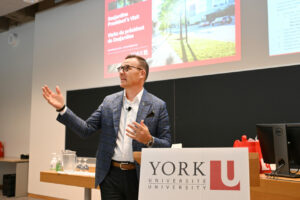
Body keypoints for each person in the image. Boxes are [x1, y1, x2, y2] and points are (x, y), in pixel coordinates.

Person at [42, 54, 172, 200]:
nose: (121, 72)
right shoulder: (109, 102)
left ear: (142, 73)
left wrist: (149, 140)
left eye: (127, 68)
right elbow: (86, 129)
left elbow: (166, 144)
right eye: (120, 68)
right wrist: (62, 109)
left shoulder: (158, 105)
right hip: (111, 177)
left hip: (140, 176)